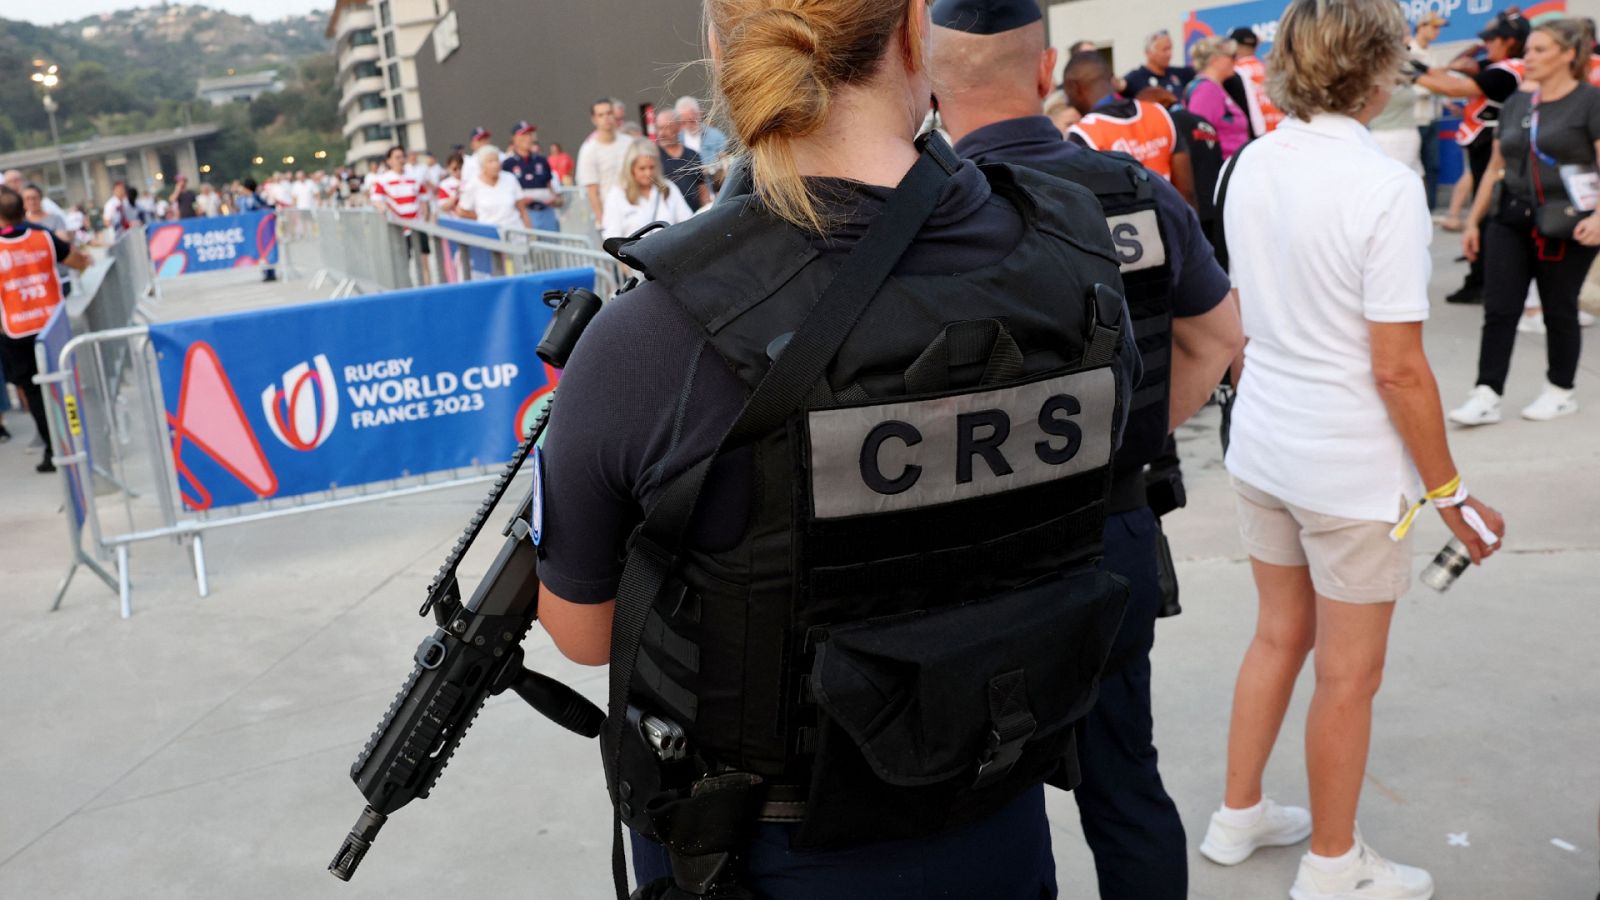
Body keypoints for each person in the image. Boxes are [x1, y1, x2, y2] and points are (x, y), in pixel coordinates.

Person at [534, 0, 1144, 895]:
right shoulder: (1073, 255)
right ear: (913, 28)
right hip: (1000, 830)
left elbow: (583, 633)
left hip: (774, 859)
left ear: (720, 48)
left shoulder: (652, 337)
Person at [932, 7, 1243, 897]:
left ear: (929, 85)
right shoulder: (1136, 193)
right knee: (1126, 786)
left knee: (971, 810)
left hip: (963, 564)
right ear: (1044, 73)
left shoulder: (916, 213)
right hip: (1110, 537)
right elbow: (1218, 338)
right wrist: (1126, 441)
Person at [1209, 3, 1507, 899]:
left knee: (1275, 635)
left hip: (1262, 444)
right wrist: (1450, 490)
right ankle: (1334, 863)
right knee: (1349, 673)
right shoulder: (1380, 186)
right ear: (1378, 72)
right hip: (1346, 470)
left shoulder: (1250, 160)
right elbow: (1400, 370)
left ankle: (1238, 815)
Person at [1450, 19, 1600, 426]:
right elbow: (1497, 164)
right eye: (1528, 50)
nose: (1528, 58)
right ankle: (1486, 392)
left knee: (1558, 308)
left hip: (1567, 220)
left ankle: (1560, 389)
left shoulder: (1589, 101)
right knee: (1500, 308)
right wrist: (1472, 222)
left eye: (1539, 50)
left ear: (1569, 54)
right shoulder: (1518, 101)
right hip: (1511, 216)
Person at [1418, 10, 1529, 304]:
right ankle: (1481, 277)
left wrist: (1415, 74)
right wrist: (1422, 67)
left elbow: (1453, 86)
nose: (1487, 44)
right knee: (1484, 217)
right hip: (1484, 145)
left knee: (1487, 218)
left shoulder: (1508, 70)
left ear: (1510, 42)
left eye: (1493, 39)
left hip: (1494, 147)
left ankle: (1482, 280)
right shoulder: (1495, 66)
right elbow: (1451, 74)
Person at [0, 186, 91, 472]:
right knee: (63, 382)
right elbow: (78, 261)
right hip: (52, 325)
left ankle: (54, 449)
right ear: (22, 210)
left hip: (15, 330)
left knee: (33, 392)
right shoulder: (43, 237)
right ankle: (80, 442)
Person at [1064, 51, 1198, 207]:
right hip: (1169, 222)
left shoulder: (1084, 135)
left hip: (1122, 228)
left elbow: (1085, 207)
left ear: (1074, 87)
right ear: (1112, 80)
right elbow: (1187, 193)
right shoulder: (1159, 114)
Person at [599, 139, 693, 240]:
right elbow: (612, 237)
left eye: (651, 167)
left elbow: (687, 222)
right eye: (642, 168)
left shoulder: (668, 188)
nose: (648, 173)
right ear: (631, 168)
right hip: (632, 254)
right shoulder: (617, 195)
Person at [371, 145, 431, 286]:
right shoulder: (383, 179)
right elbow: (376, 200)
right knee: (403, 264)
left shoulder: (415, 177)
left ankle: (428, 290)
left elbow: (423, 199)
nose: (400, 160)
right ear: (389, 161)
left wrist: (424, 217)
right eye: (397, 157)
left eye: (402, 157)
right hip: (399, 229)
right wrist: (384, 210)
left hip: (417, 225)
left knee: (424, 263)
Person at [1186, 36, 1250, 159]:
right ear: (1215, 60)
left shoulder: (1215, 88)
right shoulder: (1206, 90)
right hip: (1222, 167)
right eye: (1232, 56)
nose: (1235, 61)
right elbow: (1201, 138)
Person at [1411, 13, 1450, 211]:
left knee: (1432, 167)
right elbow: (1406, 86)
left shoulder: (1432, 54)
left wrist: (1446, 100)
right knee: (1413, 169)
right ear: (1421, 27)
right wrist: (1435, 88)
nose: (1437, 32)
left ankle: (1430, 209)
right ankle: (1414, 209)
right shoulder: (1408, 52)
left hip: (1432, 118)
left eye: (1438, 28)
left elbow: (1439, 85)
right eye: (1434, 27)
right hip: (1412, 121)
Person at [577, 98, 632, 230]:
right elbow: (592, 191)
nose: (606, 118)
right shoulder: (588, 150)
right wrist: (601, 221)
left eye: (609, 113)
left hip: (633, 211)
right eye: (601, 115)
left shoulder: (629, 142)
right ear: (594, 119)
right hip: (610, 217)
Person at [502, 121, 563, 231]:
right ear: (515, 138)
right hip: (524, 212)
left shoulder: (541, 161)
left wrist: (555, 199)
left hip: (546, 211)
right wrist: (520, 201)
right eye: (524, 135)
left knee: (551, 246)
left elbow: (550, 186)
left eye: (530, 134)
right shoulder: (508, 164)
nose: (528, 138)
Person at [457, 145, 530, 231]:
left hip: (515, 233)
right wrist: (482, 218)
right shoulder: (473, 184)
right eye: (490, 161)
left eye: (497, 160)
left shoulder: (510, 178)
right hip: (490, 235)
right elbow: (462, 211)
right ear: (482, 165)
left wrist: (530, 234)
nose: (495, 164)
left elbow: (522, 210)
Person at [653, 108, 714, 211]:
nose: (661, 133)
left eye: (667, 128)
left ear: (678, 127)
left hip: (695, 216)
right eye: (659, 128)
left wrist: (707, 212)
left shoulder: (692, 155)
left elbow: (702, 188)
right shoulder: (653, 158)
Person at [1230, 27, 1284, 136]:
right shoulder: (1270, 70)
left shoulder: (1233, 72)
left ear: (1234, 46)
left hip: (1255, 136)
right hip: (1279, 131)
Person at [1123, 29, 1194, 98]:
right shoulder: (1136, 78)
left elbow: (1201, 70)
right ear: (1149, 52)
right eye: (1165, 49)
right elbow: (1119, 86)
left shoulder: (1179, 73)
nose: (1169, 54)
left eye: (1170, 48)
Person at [675, 95, 730, 165]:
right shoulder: (676, 139)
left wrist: (711, 169)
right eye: (683, 122)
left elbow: (726, 162)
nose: (688, 125)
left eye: (691, 121)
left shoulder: (716, 136)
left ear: (699, 115)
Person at [436, 151, 463, 215]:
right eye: (455, 169)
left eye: (460, 168)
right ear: (449, 168)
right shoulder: (444, 184)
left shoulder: (471, 181)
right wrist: (456, 194)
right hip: (454, 220)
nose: (458, 171)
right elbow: (443, 207)